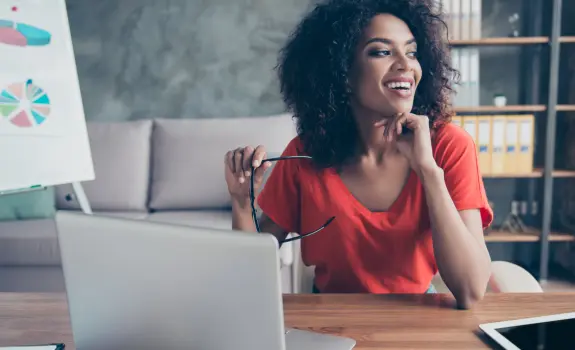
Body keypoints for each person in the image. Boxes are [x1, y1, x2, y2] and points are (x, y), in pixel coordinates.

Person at [224, 0, 493, 309]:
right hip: (330, 319)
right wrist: (242, 203)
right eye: (382, 51)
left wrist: (429, 172)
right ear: (343, 73)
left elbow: (471, 292)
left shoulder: (449, 146)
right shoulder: (304, 154)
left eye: (412, 52)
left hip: (417, 319)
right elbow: (249, 275)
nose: (406, 65)